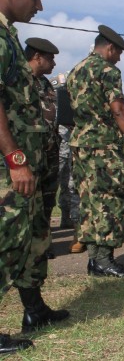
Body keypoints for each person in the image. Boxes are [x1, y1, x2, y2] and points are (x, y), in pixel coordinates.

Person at [0, 0, 68, 355]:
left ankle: (34, 309)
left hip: (31, 164)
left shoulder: (8, 34)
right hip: (10, 164)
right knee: (4, 239)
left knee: (31, 240)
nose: (39, 6)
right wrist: (15, 158)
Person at [66, 25, 124, 277]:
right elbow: (118, 109)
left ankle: (94, 259)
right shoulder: (107, 70)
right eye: (118, 53)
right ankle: (104, 260)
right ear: (110, 48)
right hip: (103, 145)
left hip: (80, 144)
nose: (119, 58)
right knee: (110, 200)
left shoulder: (75, 70)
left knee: (89, 200)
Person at [25, 37, 58, 261]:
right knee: (25, 203)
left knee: (47, 201)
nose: (54, 63)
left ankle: (42, 245)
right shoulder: (17, 80)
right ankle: (23, 248)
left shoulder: (46, 85)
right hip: (26, 155)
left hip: (49, 153)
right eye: (50, 58)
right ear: (37, 56)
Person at [52, 72, 84, 253]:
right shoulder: (48, 105)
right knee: (55, 183)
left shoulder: (71, 103)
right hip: (56, 148)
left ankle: (69, 219)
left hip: (70, 146)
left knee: (71, 185)